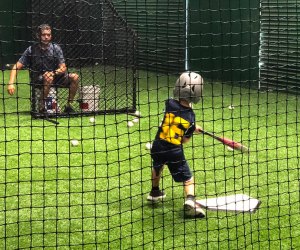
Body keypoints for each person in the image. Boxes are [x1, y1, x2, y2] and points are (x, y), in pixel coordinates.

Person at [147, 71, 205, 218]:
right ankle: (190, 200)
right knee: (188, 178)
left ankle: (154, 192)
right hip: (174, 151)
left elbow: (176, 116)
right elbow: (184, 140)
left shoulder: (169, 103)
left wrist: (191, 127)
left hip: (158, 146)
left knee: (158, 165)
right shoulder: (191, 116)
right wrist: (192, 128)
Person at [7, 24, 79, 113]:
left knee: (75, 77)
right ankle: (42, 107)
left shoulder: (55, 48)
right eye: (44, 35)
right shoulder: (31, 50)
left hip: (55, 77)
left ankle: (68, 106)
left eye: (48, 35)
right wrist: (11, 83)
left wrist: (53, 73)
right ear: (38, 36)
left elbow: (63, 67)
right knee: (48, 77)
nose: (46, 37)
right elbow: (16, 66)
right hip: (39, 79)